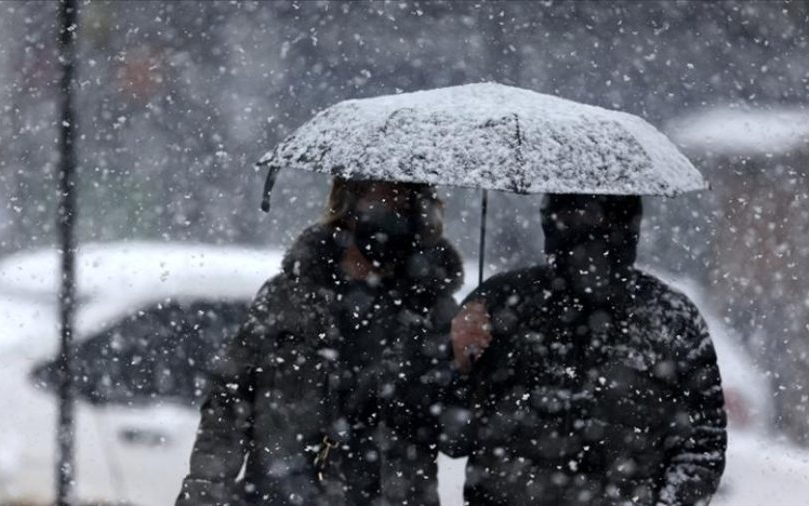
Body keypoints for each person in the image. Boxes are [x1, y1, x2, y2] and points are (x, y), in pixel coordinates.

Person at [176, 178, 463, 506]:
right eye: (382, 203)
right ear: (347, 207)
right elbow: (229, 403)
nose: (392, 217)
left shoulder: (431, 313)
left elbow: (457, 437)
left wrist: (463, 364)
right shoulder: (289, 298)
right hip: (281, 494)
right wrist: (204, 491)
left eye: (405, 207)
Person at [442, 194, 727, 505]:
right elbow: (453, 438)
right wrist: (459, 362)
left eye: (605, 219)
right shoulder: (499, 304)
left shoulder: (671, 319)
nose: (588, 235)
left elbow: (702, 447)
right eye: (572, 218)